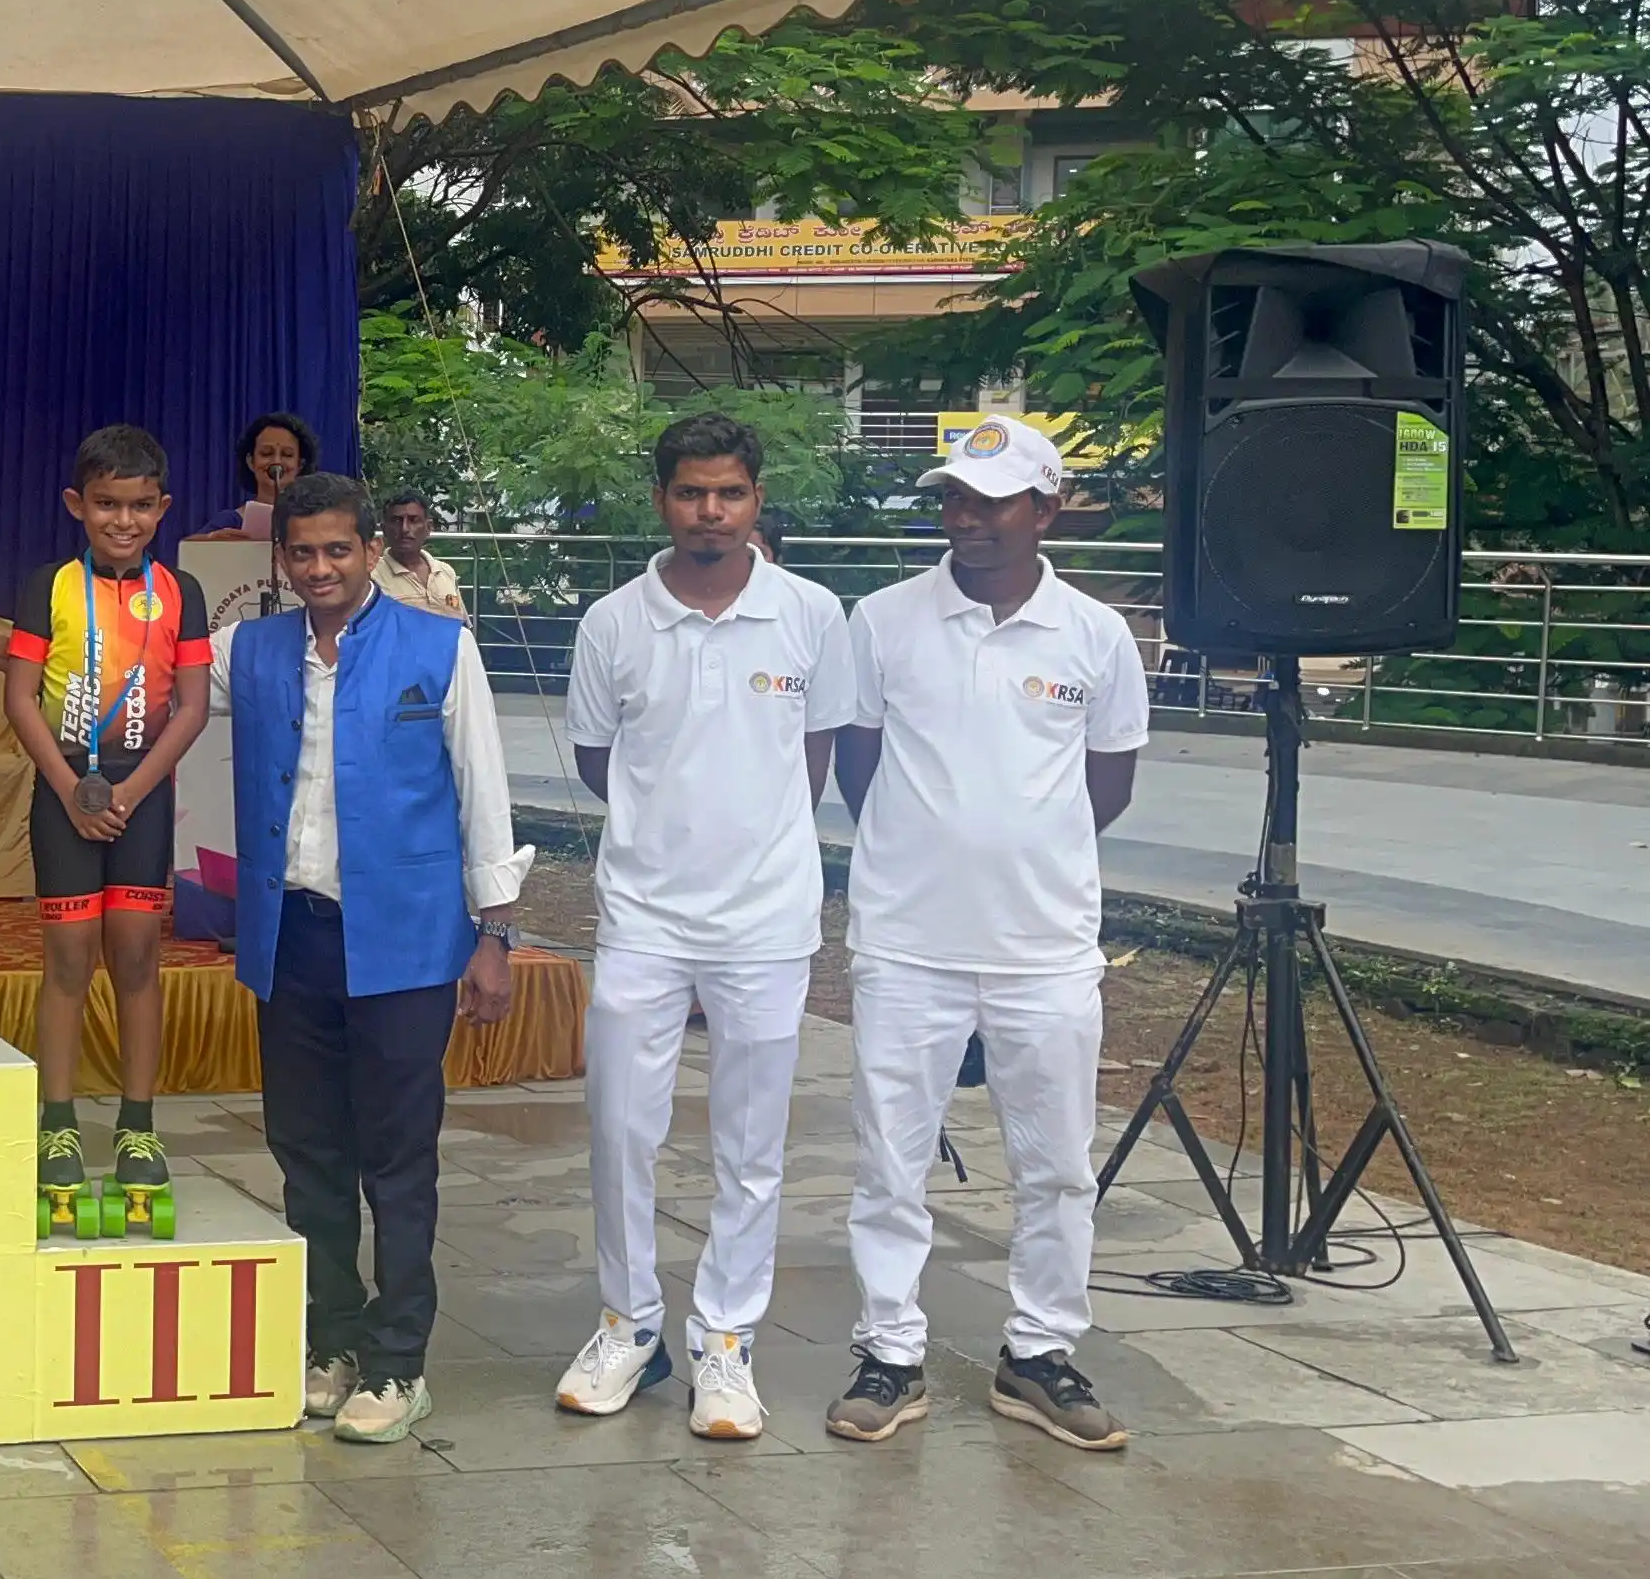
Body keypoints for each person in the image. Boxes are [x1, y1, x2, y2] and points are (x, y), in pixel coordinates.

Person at [829, 415, 1148, 1454]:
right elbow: (860, 767)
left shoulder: (1097, 634)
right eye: (954, 499)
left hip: (1045, 945)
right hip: (907, 939)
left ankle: (1039, 1352)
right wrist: (936, 851)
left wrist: (1017, 849)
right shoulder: (879, 621)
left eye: (993, 501)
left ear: (1046, 508)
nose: (967, 520)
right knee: (891, 1157)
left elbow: (1107, 784)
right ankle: (890, 1352)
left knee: (1056, 1163)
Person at [552, 415, 853, 1443]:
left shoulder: (812, 614)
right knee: (621, 1128)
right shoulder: (612, 621)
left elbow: (814, 757)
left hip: (767, 920)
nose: (709, 512)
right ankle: (628, 1325)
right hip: (642, 914)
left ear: (757, 499)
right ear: (662, 500)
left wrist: (753, 844)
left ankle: (726, 1342)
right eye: (690, 493)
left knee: (750, 1144)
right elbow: (602, 760)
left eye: (728, 493)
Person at [213, 474, 528, 1444]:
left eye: (336, 551)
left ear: (368, 550)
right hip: (292, 931)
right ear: (282, 559)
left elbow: (484, 786)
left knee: (396, 1153)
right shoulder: (251, 649)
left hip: (404, 937)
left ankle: (400, 1358)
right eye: (301, 553)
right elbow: (153, 674)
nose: (319, 569)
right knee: (307, 1148)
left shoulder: (439, 645)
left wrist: (496, 932)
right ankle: (333, 1336)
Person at [0, 424, 211, 1224]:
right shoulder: (46, 585)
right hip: (65, 793)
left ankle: (137, 1125)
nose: (123, 521)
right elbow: (21, 698)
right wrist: (69, 790)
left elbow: (189, 709)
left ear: (161, 508)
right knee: (66, 958)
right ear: (75, 506)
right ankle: (57, 1122)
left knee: (135, 956)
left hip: (142, 794)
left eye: (139, 506)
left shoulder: (180, 591)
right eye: (106, 505)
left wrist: (129, 793)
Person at [201, 412, 318, 540]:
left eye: (287, 455)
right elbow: (188, 550)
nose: (276, 461)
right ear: (251, 462)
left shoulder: (315, 520)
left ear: (300, 465)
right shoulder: (233, 521)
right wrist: (211, 539)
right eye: (266, 453)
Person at [373, 491, 467, 617]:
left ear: (428, 527)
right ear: (384, 529)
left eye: (413, 520)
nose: (405, 529)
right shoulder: (372, 577)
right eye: (396, 521)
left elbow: (461, 627)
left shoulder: (445, 572)